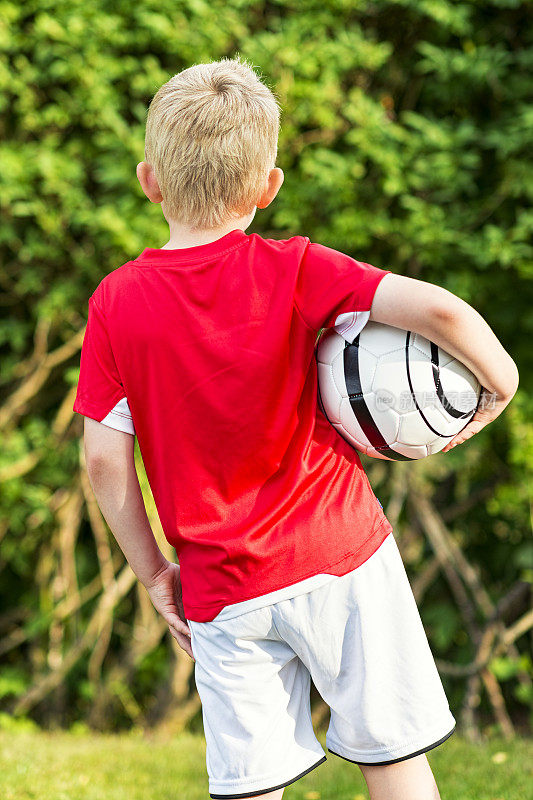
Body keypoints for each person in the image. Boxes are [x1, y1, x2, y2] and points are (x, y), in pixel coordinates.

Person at [73, 56, 519, 800]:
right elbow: (439, 312)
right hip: (342, 554)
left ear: (149, 180)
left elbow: (102, 461)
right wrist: (498, 386)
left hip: (221, 587)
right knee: (395, 757)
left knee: (252, 787)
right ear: (268, 186)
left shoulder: (117, 302)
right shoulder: (296, 268)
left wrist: (154, 572)